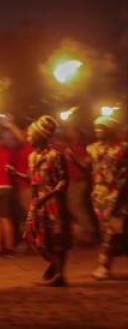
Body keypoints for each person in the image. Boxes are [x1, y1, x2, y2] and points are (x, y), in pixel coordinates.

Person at [8, 116, 70, 286]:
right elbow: (32, 179)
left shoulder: (56, 155)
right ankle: (54, 265)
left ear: (41, 135)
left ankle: (60, 275)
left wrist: (48, 197)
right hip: (38, 202)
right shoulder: (32, 156)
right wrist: (16, 174)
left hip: (53, 204)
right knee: (34, 238)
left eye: (30, 134)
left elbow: (64, 181)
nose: (28, 137)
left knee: (56, 239)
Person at [73, 115, 127, 279]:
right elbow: (87, 168)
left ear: (110, 129)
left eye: (101, 128)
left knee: (112, 231)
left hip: (118, 194)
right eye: (96, 128)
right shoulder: (93, 148)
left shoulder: (122, 148)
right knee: (107, 231)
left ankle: (104, 266)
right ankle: (105, 265)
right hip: (99, 196)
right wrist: (74, 160)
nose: (98, 131)